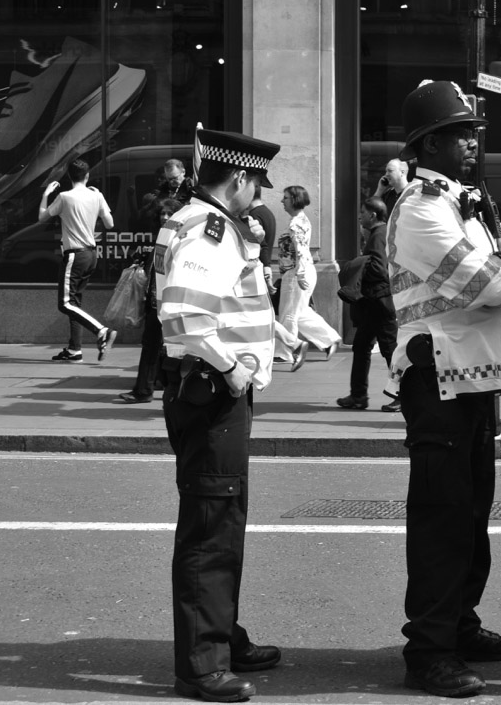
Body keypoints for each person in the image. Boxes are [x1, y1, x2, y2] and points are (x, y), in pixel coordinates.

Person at [388, 79, 501, 698]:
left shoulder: (467, 205)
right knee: (441, 519)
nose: (473, 143)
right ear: (430, 143)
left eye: (474, 133)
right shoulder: (424, 209)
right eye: (460, 134)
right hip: (437, 383)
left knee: (472, 513)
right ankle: (428, 649)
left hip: (473, 381)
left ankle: (460, 623)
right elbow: (493, 285)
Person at [154, 128, 282, 701]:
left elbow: (227, 301)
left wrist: (275, 332)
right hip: (211, 392)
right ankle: (202, 664)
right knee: (211, 529)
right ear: (238, 179)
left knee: (223, 519)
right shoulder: (208, 233)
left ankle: (223, 637)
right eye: (255, 185)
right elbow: (183, 315)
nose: (258, 197)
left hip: (207, 391)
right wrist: (232, 366)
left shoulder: (202, 224)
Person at [38, 158, 118, 362]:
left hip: (75, 254)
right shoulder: (96, 196)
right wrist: (100, 197)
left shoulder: (64, 197)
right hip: (91, 255)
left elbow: (42, 218)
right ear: (88, 175)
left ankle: (101, 331)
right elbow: (109, 224)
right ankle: (74, 350)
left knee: (65, 304)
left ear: (69, 177)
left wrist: (46, 195)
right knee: (75, 303)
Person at [117, 197, 183, 404]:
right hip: (157, 300)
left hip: (167, 301)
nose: (164, 217)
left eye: (168, 214)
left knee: (163, 346)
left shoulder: (178, 239)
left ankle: (151, 388)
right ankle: (147, 387)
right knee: (153, 344)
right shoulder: (163, 238)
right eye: (162, 214)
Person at [337, 196, 399, 412]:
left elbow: (381, 269)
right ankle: (358, 396)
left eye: (362, 212)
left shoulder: (379, 234)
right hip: (373, 302)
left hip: (380, 302)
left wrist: (359, 265)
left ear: (372, 215)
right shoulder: (377, 233)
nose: (359, 216)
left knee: (391, 350)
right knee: (361, 347)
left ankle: (403, 395)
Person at [273, 184, 339, 366]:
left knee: (289, 313)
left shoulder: (296, 223)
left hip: (296, 272)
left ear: (294, 200)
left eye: (285, 198)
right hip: (300, 271)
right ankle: (329, 339)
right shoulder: (300, 220)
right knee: (300, 312)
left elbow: (300, 249)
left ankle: (285, 352)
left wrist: (300, 274)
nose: (282, 201)